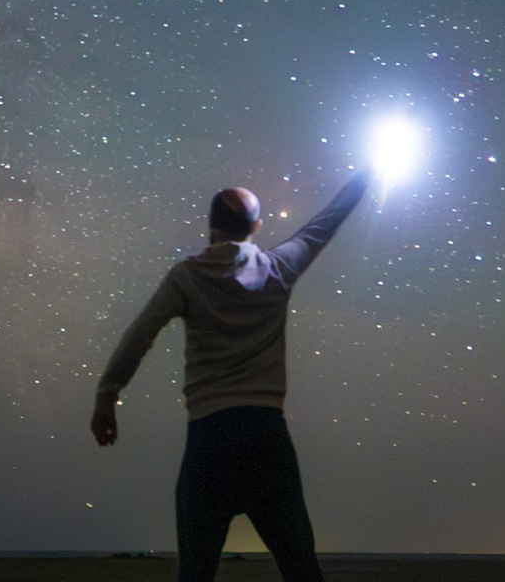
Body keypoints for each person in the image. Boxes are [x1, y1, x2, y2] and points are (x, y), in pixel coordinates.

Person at [91, 172, 370, 582]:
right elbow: (326, 221)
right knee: (300, 568)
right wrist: (365, 176)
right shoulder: (279, 267)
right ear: (256, 227)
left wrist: (106, 396)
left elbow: (140, 335)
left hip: (210, 439)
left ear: (211, 225)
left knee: (196, 573)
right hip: (265, 436)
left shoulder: (186, 276)